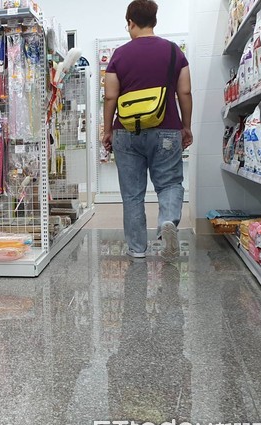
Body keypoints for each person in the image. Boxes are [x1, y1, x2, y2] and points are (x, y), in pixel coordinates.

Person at [101, 0, 193, 259]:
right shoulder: (175, 52)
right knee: (170, 183)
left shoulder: (119, 55)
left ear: (130, 21)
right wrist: (186, 126)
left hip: (127, 131)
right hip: (167, 129)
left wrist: (107, 131)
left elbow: (110, 97)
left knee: (132, 194)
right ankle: (167, 221)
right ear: (155, 20)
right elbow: (184, 91)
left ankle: (137, 250)